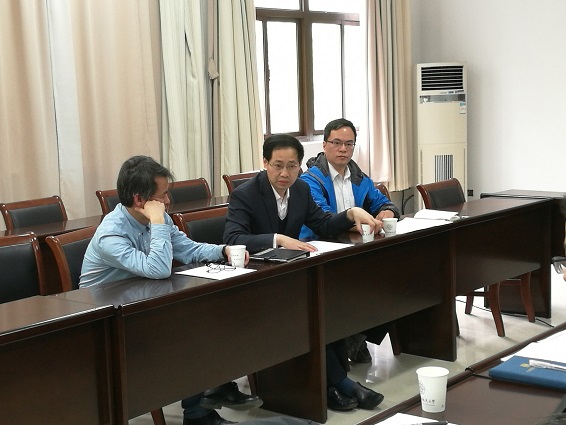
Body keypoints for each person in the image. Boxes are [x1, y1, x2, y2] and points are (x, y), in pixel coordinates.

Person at [80, 155, 262, 425]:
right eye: (162, 196)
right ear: (140, 199)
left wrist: (222, 250)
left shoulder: (158, 217)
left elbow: (188, 249)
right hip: (104, 321)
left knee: (214, 314)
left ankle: (211, 394)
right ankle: (199, 413)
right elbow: (158, 269)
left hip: (141, 301)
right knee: (187, 328)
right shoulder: (111, 233)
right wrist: (157, 222)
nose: (167, 201)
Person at [223, 134, 385, 412]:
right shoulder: (245, 194)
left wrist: (350, 214)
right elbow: (233, 238)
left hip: (289, 279)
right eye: (278, 166)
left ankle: (333, 385)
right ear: (265, 163)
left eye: (292, 166)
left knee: (326, 303)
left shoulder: (300, 190)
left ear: (300, 166)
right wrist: (277, 239)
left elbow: (322, 224)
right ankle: (340, 385)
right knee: (309, 311)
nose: (285, 173)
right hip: (255, 284)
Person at [300, 118, 401, 364]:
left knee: (395, 278)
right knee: (360, 283)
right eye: (337, 143)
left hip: (353, 250)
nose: (343, 149)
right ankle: (349, 339)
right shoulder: (311, 180)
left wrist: (387, 212)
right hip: (320, 250)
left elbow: (383, 203)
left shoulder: (358, 177)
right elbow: (324, 221)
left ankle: (358, 336)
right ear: (324, 145)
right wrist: (356, 219)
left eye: (349, 144)